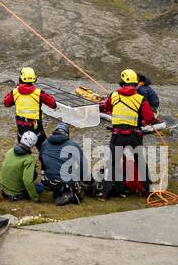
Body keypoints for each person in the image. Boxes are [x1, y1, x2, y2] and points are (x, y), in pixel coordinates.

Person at [98, 68, 158, 197]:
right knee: (140, 163)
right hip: (134, 136)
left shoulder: (114, 95)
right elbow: (149, 119)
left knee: (113, 163)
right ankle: (147, 191)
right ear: (136, 83)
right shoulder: (140, 99)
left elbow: (108, 108)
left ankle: (106, 193)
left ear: (122, 82)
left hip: (117, 135)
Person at [35, 122, 87, 205]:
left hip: (48, 181)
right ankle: (70, 193)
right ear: (67, 134)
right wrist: (82, 179)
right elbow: (83, 166)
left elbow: (41, 160)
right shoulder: (73, 145)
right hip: (66, 180)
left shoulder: (44, 144)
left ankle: (59, 191)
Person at [3, 67, 56, 144]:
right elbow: (53, 104)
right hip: (36, 127)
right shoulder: (39, 93)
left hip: (21, 127)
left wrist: (15, 89)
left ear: (21, 78)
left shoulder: (15, 92)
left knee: (22, 151)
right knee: (44, 150)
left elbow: (6, 103)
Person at [0, 130, 42, 201]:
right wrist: (35, 197)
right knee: (40, 187)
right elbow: (27, 181)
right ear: (33, 145)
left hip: (2, 187)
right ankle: (19, 195)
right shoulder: (29, 159)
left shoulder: (10, 151)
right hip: (14, 193)